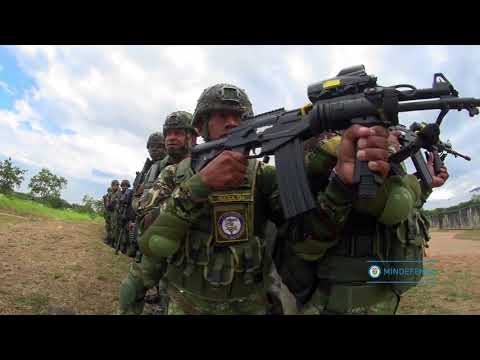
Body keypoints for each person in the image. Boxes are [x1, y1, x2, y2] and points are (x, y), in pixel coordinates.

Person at [136, 83, 398, 315]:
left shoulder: (263, 176)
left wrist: (341, 183)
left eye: (239, 117)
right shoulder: (174, 174)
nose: (231, 122)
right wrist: (200, 185)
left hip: (251, 305)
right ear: (202, 125)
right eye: (221, 115)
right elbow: (148, 239)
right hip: (186, 304)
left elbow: (308, 243)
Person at [274, 128, 449, 315]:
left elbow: (401, 216)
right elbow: (396, 206)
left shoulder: (374, 148)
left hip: (380, 297)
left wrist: (426, 186)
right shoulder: (332, 145)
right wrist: (390, 149)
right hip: (338, 302)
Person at [119, 111, 197, 315]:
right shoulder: (158, 169)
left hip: (190, 246)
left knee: (175, 297)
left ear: (193, 136)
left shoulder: (205, 163)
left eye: (178, 133)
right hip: (156, 239)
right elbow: (141, 203)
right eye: (168, 133)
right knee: (131, 289)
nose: (171, 138)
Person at [106, 180, 121, 248]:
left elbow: (118, 203)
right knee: (110, 226)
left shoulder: (119, 193)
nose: (113, 187)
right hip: (111, 211)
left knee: (115, 227)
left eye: (115, 185)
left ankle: (113, 242)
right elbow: (108, 202)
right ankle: (110, 240)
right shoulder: (111, 193)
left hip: (116, 212)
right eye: (113, 185)